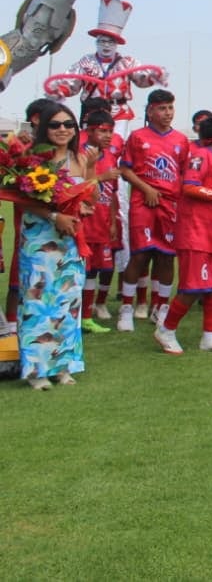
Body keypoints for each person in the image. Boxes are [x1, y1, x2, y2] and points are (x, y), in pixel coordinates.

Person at [17, 103, 94, 389]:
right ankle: (37, 371)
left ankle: (63, 367)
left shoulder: (80, 158)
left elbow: (88, 194)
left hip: (71, 240)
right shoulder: (32, 158)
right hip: (40, 238)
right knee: (38, 301)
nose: (62, 130)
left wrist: (83, 207)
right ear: (43, 128)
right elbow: (23, 199)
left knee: (68, 302)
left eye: (68, 124)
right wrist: (54, 215)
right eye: (55, 125)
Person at [153, 116, 212, 354]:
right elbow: (189, 186)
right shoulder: (200, 156)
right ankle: (166, 330)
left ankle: (209, 337)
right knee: (192, 287)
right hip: (195, 234)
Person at [117, 89, 188, 330]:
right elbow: (125, 170)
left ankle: (161, 308)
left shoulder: (181, 140)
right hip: (143, 203)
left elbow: (183, 174)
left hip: (170, 205)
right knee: (140, 255)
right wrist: (146, 188)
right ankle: (126, 309)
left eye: (170, 108)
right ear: (150, 111)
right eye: (161, 108)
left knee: (167, 257)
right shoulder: (138, 137)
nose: (167, 113)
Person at [46, 0, 168, 122]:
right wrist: (59, 90)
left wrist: (154, 76)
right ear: (96, 42)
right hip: (92, 112)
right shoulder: (86, 62)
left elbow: (141, 77)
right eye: (102, 41)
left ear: (116, 44)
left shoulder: (127, 63)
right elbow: (72, 82)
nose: (106, 46)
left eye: (111, 42)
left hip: (119, 112)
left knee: (116, 141)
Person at [78, 109, 121, 332]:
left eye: (111, 132)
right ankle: (75, 315)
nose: (107, 136)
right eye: (103, 131)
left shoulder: (110, 156)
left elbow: (111, 192)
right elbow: (77, 188)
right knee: (81, 271)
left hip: (102, 223)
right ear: (89, 131)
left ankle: (87, 316)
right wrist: (100, 176)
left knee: (94, 271)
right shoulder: (79, 155)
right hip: (83, 223)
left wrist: (113, 221)